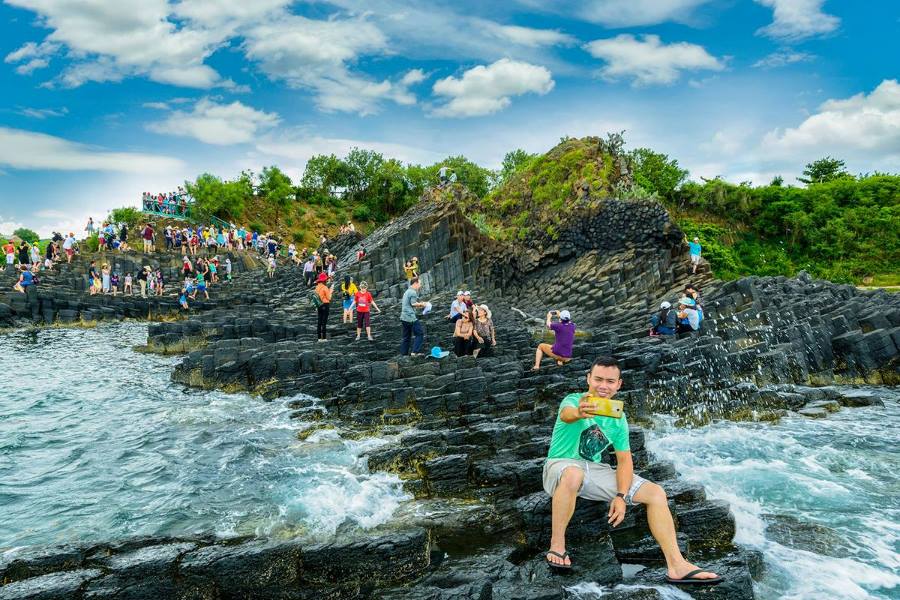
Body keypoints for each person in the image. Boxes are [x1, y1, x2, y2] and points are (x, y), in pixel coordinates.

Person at [542, 357, 723, 586]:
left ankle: (677, 565)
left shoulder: (618, 418)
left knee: (656, 493)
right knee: (573, 474)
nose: (603, 386)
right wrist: (579, 412)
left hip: (595, 470)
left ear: (619, 384)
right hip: (560, 464)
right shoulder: (573, 400)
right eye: (598, 379)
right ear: (588, 378)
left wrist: (620, 495)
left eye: (610, 381)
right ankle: (557, 545)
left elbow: (624, 460)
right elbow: (567, 414)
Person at [400, 277, 427, 356]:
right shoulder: (413, 292)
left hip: (403, 317)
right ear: (415, 283)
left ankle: (403, 354)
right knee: (420, 334)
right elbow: (413, 303)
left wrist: (420, 305)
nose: (420, 285)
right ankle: (414, 352)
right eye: (419, 283)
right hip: (410, 317)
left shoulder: (407, 291)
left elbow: (410, 304)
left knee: (406, 337)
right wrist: (423, 304)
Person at [314, 272, 333, 342]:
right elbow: (329, 298)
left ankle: (319, 338)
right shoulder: (325, 287)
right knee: (324, 322)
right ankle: (324, 338)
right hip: (325, 305)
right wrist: (330, 291)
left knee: (319, 322)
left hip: (319, 305)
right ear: (324, 280)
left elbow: (316, 297)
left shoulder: (316, 287)